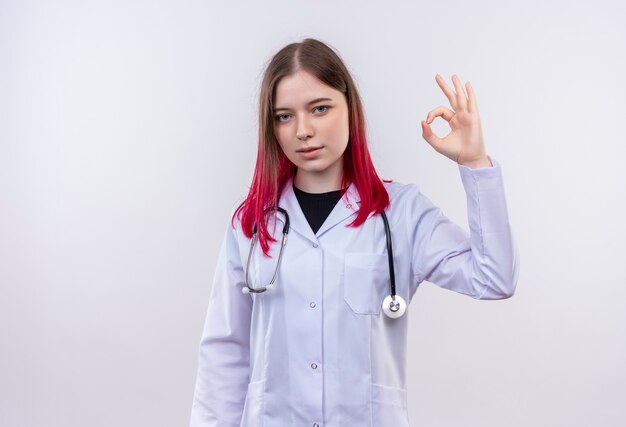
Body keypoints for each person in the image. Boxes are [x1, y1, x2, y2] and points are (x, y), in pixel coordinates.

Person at [190, 38, 519, 427]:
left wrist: (476, 164)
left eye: (320, 108)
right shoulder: (250, 222)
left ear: (350, 109)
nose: (303, 130)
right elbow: (224, 354)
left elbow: (494, 277)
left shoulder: (401, 214)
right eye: (284, 116)